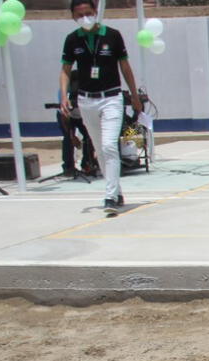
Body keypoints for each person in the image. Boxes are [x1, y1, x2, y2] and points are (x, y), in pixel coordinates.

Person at [60, 0, 143, 215]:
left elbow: (125, 66)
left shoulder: (112, 35)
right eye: (80, 15)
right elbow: (66, 70)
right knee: (99, 149)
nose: (85, 18)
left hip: (112, 98)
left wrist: (134, 95)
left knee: (108, 146)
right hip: (86, 100)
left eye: (88, 13)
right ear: (73, 16)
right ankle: (117, 190)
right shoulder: (72, 40)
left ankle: (109, 197)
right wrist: (64, 96)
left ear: (95, 12)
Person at [56, 74, 96, 178]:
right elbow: (65, 118)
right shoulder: (65, 94)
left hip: (82, 116)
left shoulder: (88, 90)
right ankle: (68, 167)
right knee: (68, 140)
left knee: (89, 137)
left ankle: (87, 163)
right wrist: (72, 136)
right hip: (67, 116)